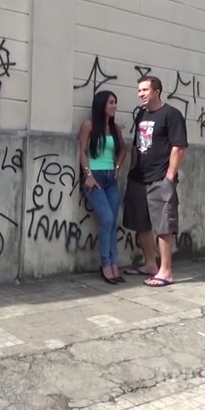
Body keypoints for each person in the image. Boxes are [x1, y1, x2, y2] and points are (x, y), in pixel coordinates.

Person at [122, 76, 187, 287]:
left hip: (160, 178)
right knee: (141, 223)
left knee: (163, 225)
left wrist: (169, 176)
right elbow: (136, 145)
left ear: (157, 91)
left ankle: (165, 271)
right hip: (139, 178)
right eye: (139, 90)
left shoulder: (171, 114)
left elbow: (179, 146)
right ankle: (150, 264)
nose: (140, 94)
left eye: (145, 90)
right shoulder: (141, 114)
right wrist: (132, 170)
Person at [78, 90, 127, 284]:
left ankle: (114, 264)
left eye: (115, 102)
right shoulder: (89, 125)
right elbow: (82, 151)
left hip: (110, 178)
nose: (115, 106)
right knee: (106, 218)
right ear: (101, 105)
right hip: (95, 178)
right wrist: (88, 175)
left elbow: (123, 150)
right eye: (111, 102)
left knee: (113, 222)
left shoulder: (114, 128)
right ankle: (105, 264)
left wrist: (117, 167)